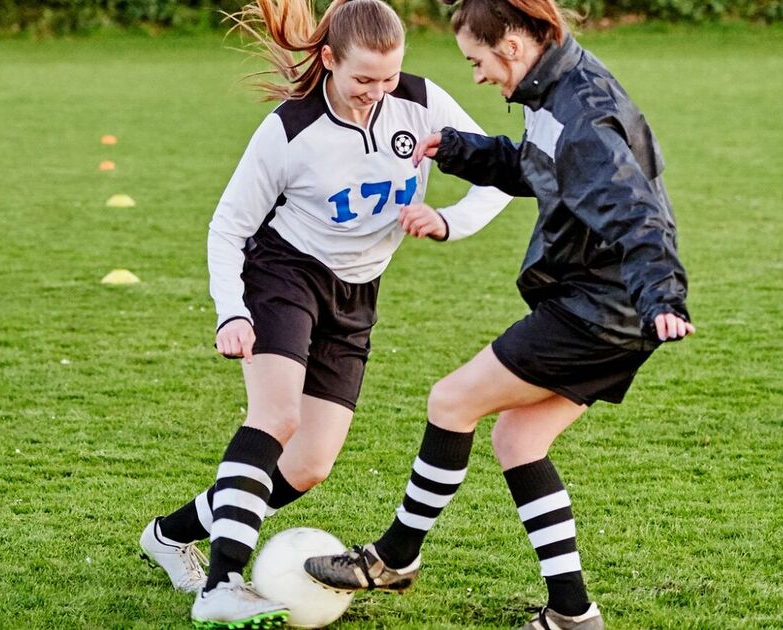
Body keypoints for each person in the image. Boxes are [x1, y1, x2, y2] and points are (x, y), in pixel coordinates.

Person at [303, 1, 692, 628]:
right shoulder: (559, 91)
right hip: (605, 307)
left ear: (510, 44)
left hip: (601, 309)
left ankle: (394, 559)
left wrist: (663, 294)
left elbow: (634, 211)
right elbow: (539, 170)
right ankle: (572, 614)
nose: (478, 75)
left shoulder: (581, 112)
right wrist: (459, 150)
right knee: (518, 439)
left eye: (476, 60)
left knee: (451, 401)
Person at [136, 0, 512, 627]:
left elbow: (499, 174)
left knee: (309, 466)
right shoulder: (290, 130)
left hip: (358, 292)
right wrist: (232, 312)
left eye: (389, 78)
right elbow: (227, 227)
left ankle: (168, 534)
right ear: (331, 60)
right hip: (285, 274)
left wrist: (449, 221)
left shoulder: (420, 102)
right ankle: (222, 584)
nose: (377, 93)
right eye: (364, 79)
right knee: (276, 416)